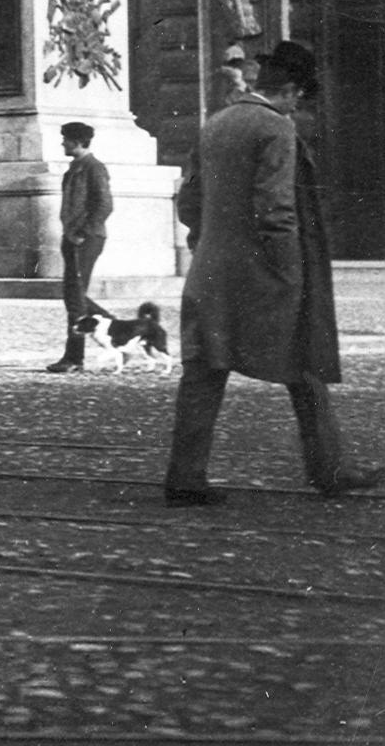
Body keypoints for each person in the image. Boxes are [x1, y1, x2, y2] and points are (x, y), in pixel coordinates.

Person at [163, 41, 382, 505]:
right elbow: (276, 212)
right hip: (265, 276)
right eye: (298, 97)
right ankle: (330, 470)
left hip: (209, 274)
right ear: (289, 90)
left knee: (203, 373)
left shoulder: (214, 124)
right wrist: (290, 276)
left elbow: (189, 202)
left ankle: (184, 479)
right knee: (305, 365)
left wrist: (208, 245)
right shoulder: (275, 129)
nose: (298, 105)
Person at [45, 121, 112, 373]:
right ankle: (121, 330)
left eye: (66, 139)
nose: (62, 143)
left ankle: (74, 357)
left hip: (86, 238)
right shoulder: (75, 169)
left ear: (77, 141)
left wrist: (83, 233)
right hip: (73, 237)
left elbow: (105, 204)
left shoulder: (94, 168)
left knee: (74, 298)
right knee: (75, 295)